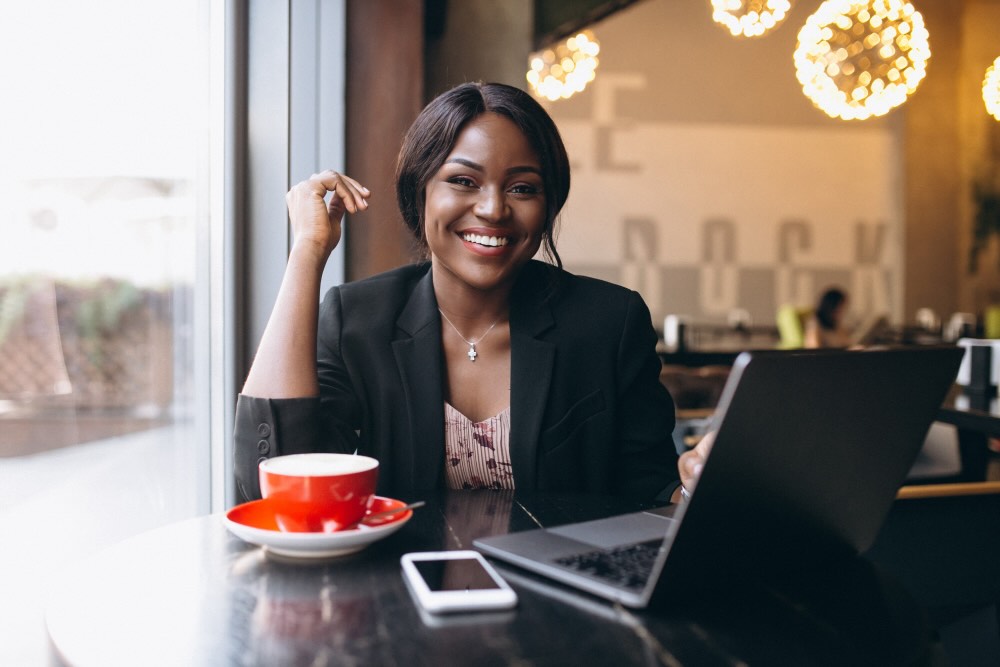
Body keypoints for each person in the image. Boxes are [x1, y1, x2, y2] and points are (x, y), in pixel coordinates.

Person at [234, 82, 706, 506]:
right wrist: (308, 251)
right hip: (398, 590)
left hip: (559, 596)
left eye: (523, 188)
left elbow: (650, 489)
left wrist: (693, 486)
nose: (493, 208)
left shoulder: (609, 322)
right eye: (463, 181)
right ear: (420, 192)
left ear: (548, 207)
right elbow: (269, 480)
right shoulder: (358, 319)